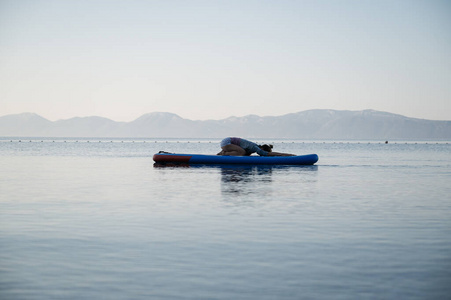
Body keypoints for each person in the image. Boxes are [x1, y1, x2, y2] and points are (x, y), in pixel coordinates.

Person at [217, 137, 295, 156]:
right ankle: (224, 153)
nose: (260, 153)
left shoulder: (253, 148)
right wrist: (287, 155)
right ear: (262, 148)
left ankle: (225, 151)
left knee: (244, 153)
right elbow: (266, 154)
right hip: (226, 142)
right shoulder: (255, 147)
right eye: (263, 151)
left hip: (228, 142)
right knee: (242, 152)